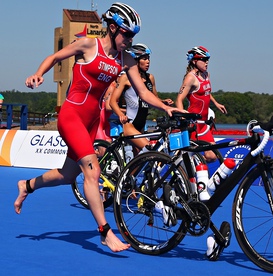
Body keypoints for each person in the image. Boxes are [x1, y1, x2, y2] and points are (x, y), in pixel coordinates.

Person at [15, 2, 184, 253]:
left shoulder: (126, 59)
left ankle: (26, 185)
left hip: (92, 120)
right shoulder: (88, 45)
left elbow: (143, 93)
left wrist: (166, 108)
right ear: (113, 28)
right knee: (92, 172)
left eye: (133, 35)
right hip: (72, 115)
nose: (130, 39)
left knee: (67, 175)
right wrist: (38, 74)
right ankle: (105, 232)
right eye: (127, 34)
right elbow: (55, 57)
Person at [110, 43, 173, 155]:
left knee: (140, 161)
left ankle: (129, 173)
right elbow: (112, 101)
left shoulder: (151, 78)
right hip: (129, 124)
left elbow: (154, 98)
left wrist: (163, 102)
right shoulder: (125, 78)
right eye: (144, 58)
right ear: (136, 60)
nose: (148, 61)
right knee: (150, 150)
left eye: (148, 58)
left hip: (142, 125)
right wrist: (120, 114)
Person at [176, 46, 227, 162]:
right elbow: (179, 99)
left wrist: (216, 103)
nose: (207, 62)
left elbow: (206, 92)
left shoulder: (206, 74)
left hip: (204, 125)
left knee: (213, 156)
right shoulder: (190, 78)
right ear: (194, 61)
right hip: (194, 124)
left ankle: (192, 165)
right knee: (195, 156)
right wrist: (183, 116)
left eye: (207, 59)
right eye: (203, 60)